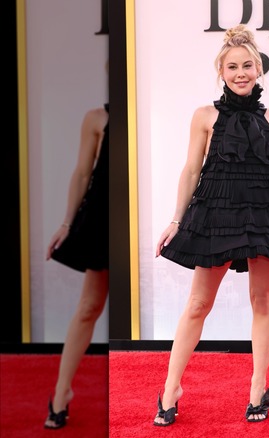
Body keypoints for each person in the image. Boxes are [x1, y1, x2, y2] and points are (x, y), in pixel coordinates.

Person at [153, 24, 269, 426]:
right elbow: (191, 170)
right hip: (217, 212)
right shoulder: (204, 116)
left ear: (258, 69)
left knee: (263, 301)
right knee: (198, 304)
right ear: (221, 72)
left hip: (265, 213)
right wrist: (176, 219)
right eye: (232, 67)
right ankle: (171, 388)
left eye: (248, 66)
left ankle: (258, 389)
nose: (241, 73)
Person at [44, 103, 110, 429]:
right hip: (103, 218)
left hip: (137, 218)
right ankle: (61, 392)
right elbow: (83, 172)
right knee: (89, 306)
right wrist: (67, 225)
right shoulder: (97, 118)